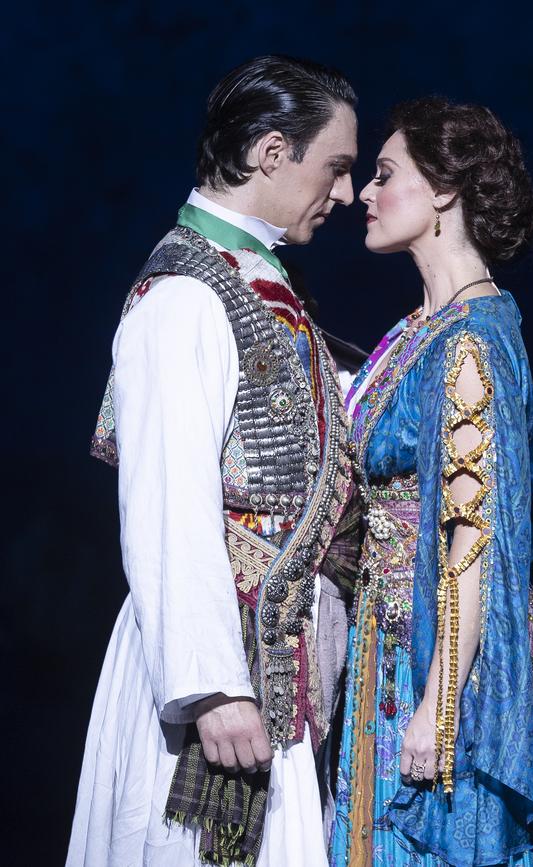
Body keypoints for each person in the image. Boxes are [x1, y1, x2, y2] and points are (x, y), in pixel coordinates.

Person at [66, 55, 359, 867]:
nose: (344, 193)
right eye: (334, 168)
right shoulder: (186, 294)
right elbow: (167, 498)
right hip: (218, 662)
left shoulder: (257, 282)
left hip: (271, 657)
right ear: (271, 154)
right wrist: (213, 686)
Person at [330, 97, 533, 866]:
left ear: (444, 191)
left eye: (385, 174)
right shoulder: (421, 327)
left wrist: (440, 700)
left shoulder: (470, 341)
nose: (364, 191)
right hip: (387, 640)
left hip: (434, 655)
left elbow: (477, 532)